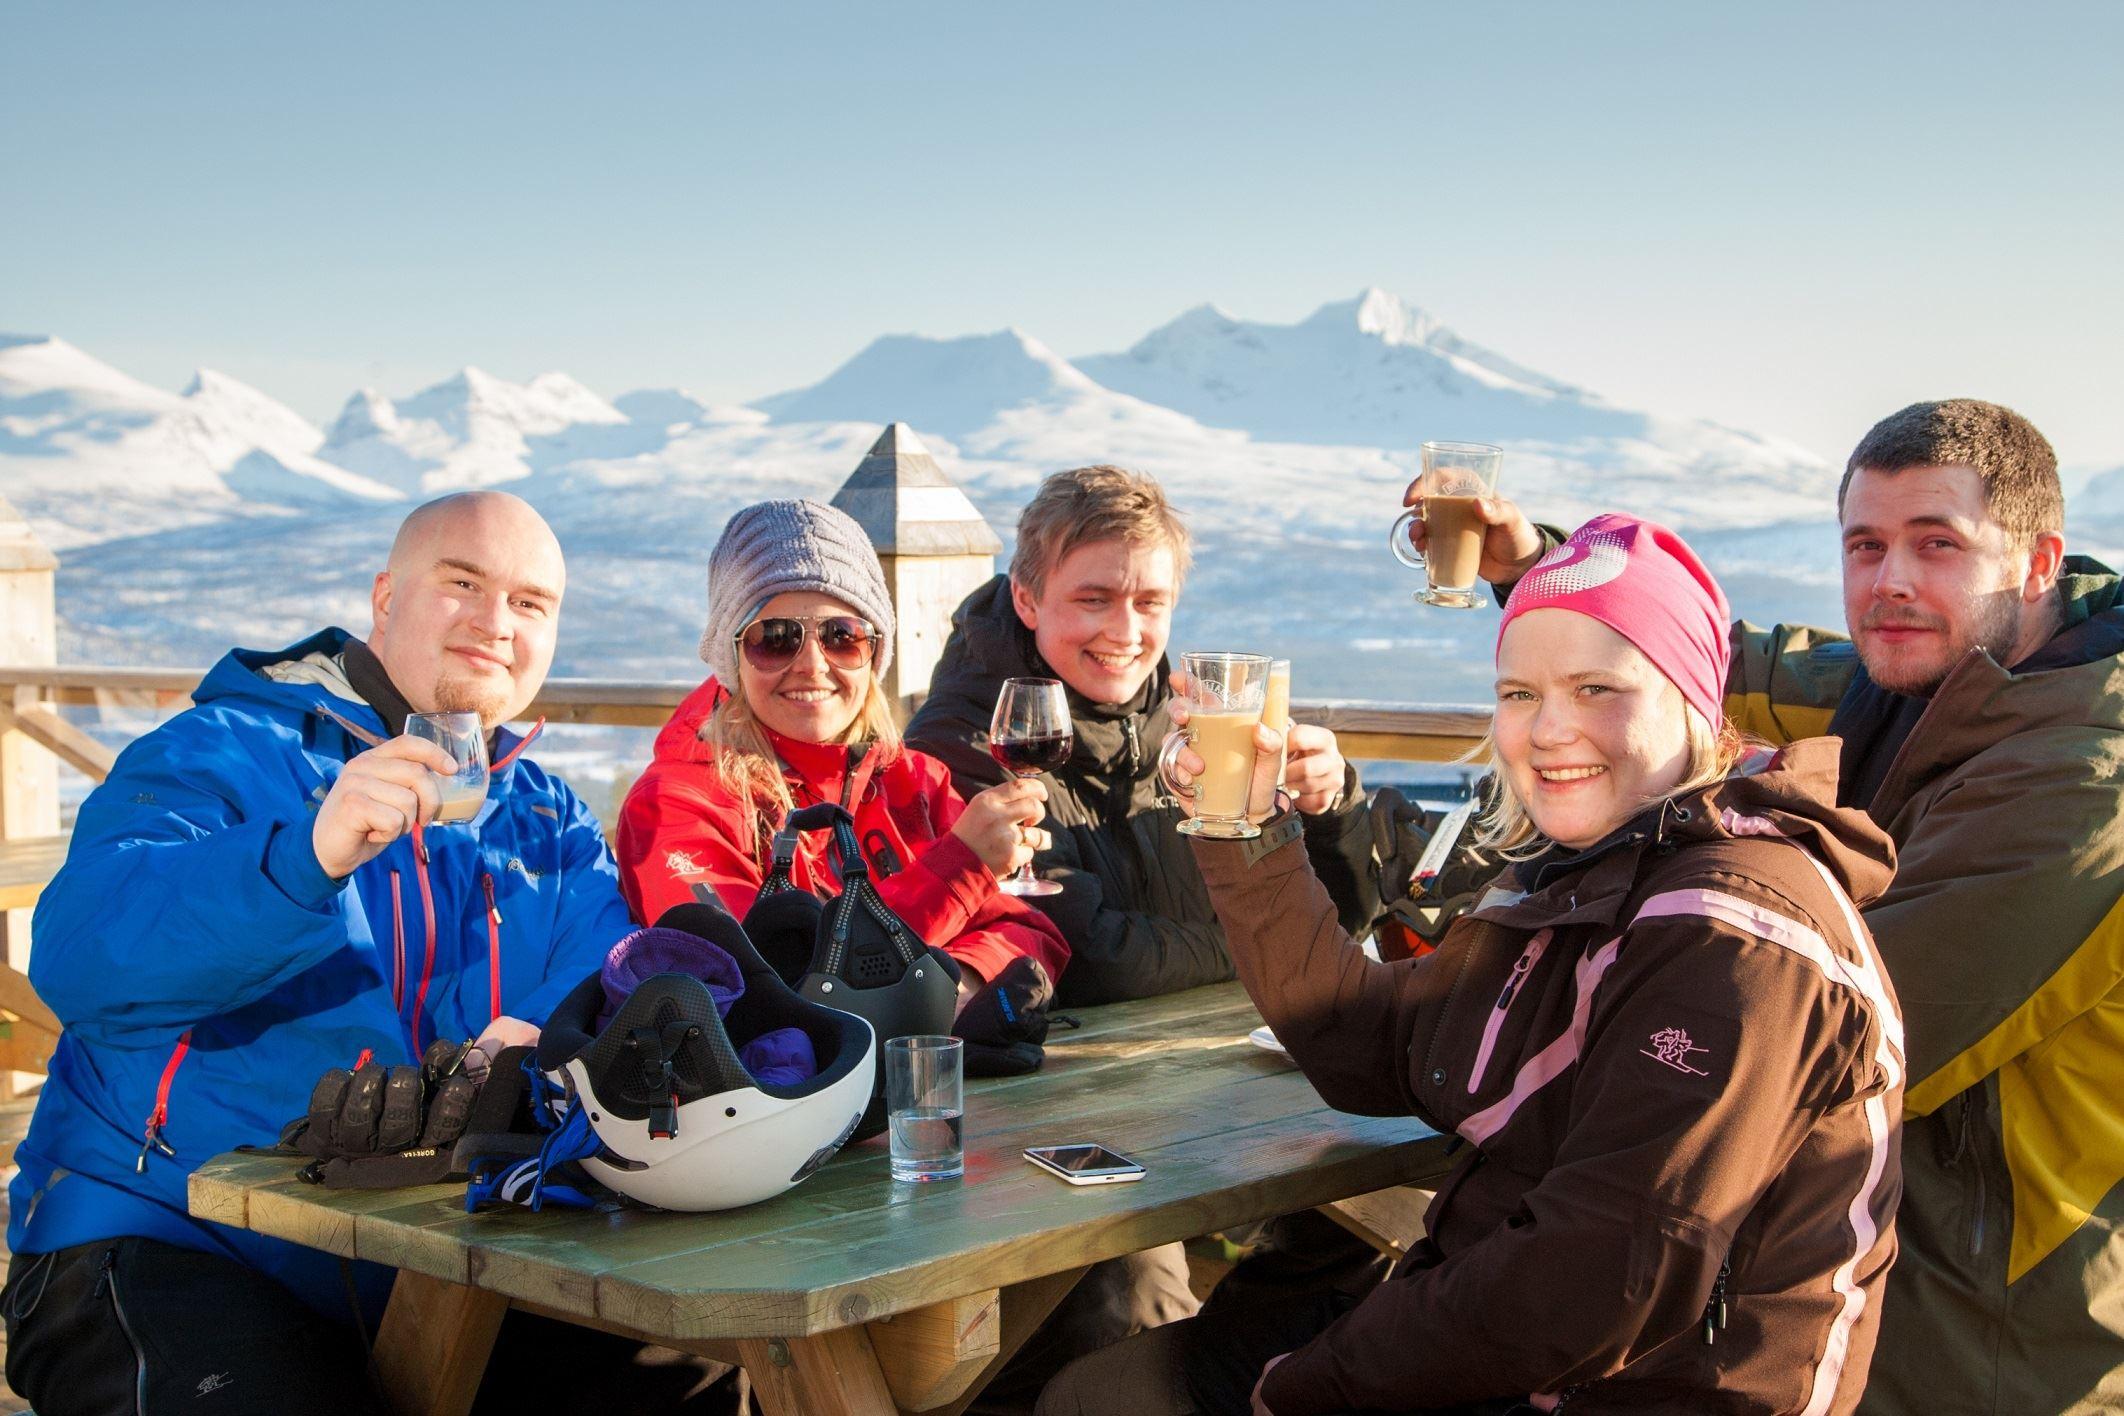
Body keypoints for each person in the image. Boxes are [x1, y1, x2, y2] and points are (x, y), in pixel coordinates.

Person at [1040, 514, 1906, 1416]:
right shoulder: (1589, 876)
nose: (1550, 730)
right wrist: (1248, 829)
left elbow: (1591, 1280)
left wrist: (1308, 1385)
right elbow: (1363, 1045)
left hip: (1643, 1388)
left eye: (1598, 687)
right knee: (1107, 1389)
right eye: (1519, 693)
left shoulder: (1737, 937)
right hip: (1511, 1349)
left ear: (1693, 700)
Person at [1444, 401, 2124, 1415]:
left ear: (2035, 565)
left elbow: (1831, 1044)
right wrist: (1536, 561)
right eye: (1866, 544)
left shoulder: (2081, 786)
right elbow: (1733, 661)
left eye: (1938, 544)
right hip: (1856, 1264)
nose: (1891, 579)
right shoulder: (1930, 676)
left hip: (1977, 1336)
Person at [0, 493, 719, 1416]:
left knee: (705, 1377)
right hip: (168, 1231)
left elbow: (601, 976)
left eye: (531, 603)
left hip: (437, 1254)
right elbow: (77, 957)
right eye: (463, 583)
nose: (496, 623)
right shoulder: (219, 754)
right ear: (385, 599)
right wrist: (305, 854)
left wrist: (534, 1042)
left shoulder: (547, 819)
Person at [907, 464, 1378, 1006]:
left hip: (1207, 1061)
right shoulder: (967, 744)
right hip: (1072, 1080)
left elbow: (1342, 923)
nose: (1126, 633)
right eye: (1094, 599)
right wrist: (1266, 944)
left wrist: (1330, 811)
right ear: (1027, 600)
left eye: (1149, 602)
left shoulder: (1188, 724)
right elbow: (1085, 958)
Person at [614, 498, 1070, 1024]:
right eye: (775, 638)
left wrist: (957, 986)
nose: (812, 664)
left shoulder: (915, 780)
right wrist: (959, 871)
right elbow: (756, 984)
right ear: (731, 656)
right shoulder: (675, 808)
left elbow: (1033, 934)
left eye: (843, 636)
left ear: (875, 653)